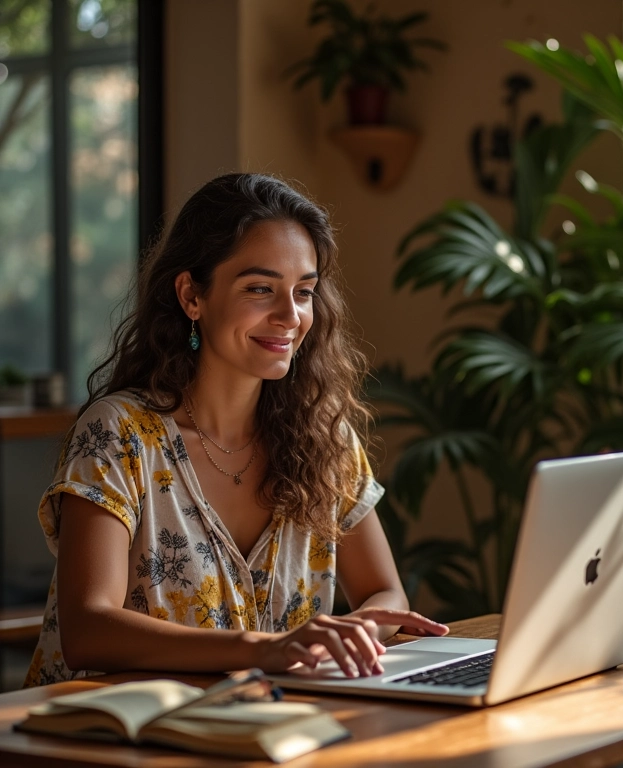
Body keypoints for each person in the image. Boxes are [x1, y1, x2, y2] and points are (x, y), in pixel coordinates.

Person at [24, 173, 448, 688]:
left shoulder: (324, 435)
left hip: (264, 732)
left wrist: (355, 629)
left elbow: (385, 593)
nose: (290, 315)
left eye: (304, 292)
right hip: (98, 741)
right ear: (191, 296)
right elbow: (88, 630)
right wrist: (267, 649)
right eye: (260, 289)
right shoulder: (118, 435)